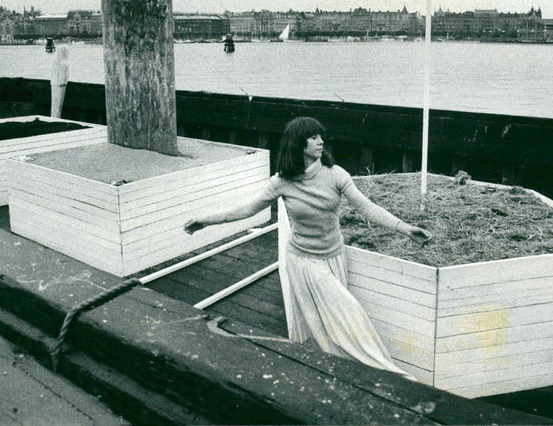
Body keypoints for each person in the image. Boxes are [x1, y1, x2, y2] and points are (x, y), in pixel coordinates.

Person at [184, 116, 431, 376]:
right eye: (313, 137)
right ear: (298, 143)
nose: (320, 141)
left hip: (334, 257)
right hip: (303, 261)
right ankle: (388, 373)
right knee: (348, 313)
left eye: (320, 136)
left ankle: (344, 372)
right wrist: (205, 220)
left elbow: (367, 208)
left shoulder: (336, 175)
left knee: (333, 323)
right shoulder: (282, 182)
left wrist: (405, 228)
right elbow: (246, 209)